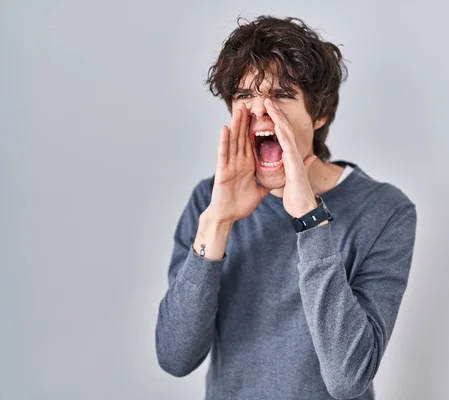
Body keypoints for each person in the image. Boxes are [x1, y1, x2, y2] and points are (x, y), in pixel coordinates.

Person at [155, 15, 417, 400]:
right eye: (245, 95)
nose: (260, 110)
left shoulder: (384, 211)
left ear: (320, 113)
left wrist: (310, 222)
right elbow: (175, 357)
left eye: (281, 94)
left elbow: (347, 379)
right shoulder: (208, 203)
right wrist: (218, 222)